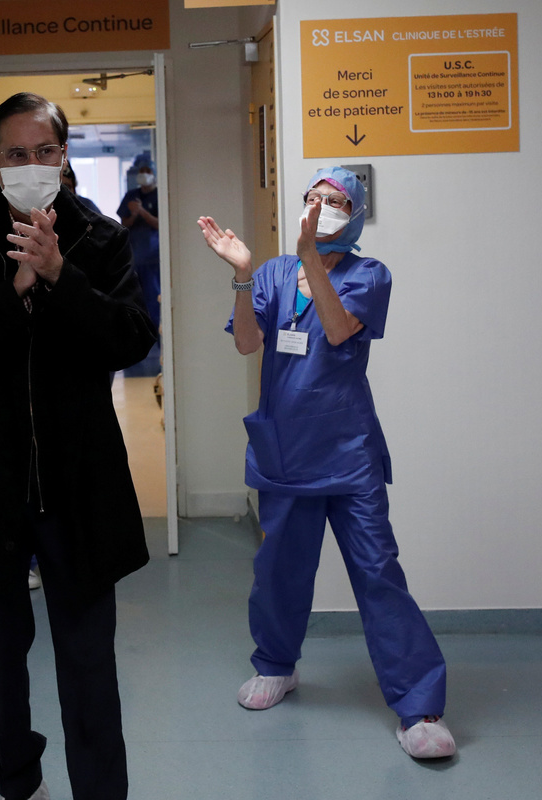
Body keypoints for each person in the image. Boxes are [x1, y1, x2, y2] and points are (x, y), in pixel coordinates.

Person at [0, 93, 157, 800]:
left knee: (89, 659)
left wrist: (58, 277)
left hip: (78, 481)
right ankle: (18, 780)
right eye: (15, 154)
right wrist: (11, 291)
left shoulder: (100, 239)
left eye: (43, 151)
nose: (31, 164)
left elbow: (131, 338)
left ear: (63, 155)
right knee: (2, 659)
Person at [197, 166, 456, 760]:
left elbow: (339, 332)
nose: (319, 206)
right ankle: (276, 664)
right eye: (312, 197)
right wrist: (243, 275)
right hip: (285, 450)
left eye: (333, 200)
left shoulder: (370, 274)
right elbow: (246, 343)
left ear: (356, 213)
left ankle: (418, 706)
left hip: (347, 450)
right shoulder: (274, 272)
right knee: (279, 570)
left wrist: (312, 256)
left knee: (378, 572)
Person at [117, 153, 160, 330]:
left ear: (154, 173)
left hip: (153, 260)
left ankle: (156, 336)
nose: (144, 174)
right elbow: (124, 223)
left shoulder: (160, 196)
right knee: (135, 300)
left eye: (147, 171)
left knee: (154, 300)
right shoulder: (132, 195)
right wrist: (134, 214)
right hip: (135, 259)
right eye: (141, 171)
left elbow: (161, 224)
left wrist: (142, 211)